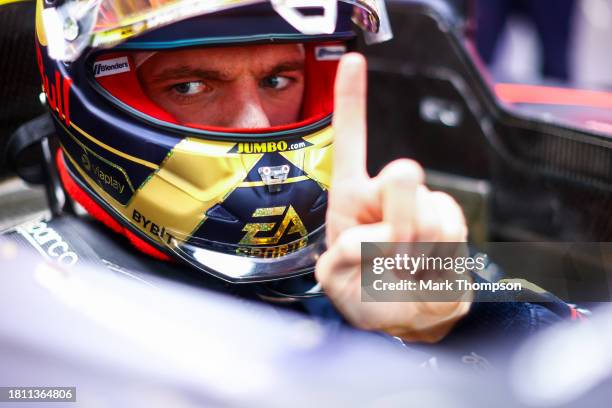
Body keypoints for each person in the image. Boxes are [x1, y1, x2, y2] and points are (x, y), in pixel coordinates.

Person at [5, 0, 580, 367]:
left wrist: (458, 318)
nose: (257, 124)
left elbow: (568, 358)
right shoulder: (22, 302)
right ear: (83, 95)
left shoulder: (370, 242)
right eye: (189, 86)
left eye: (280, 78)